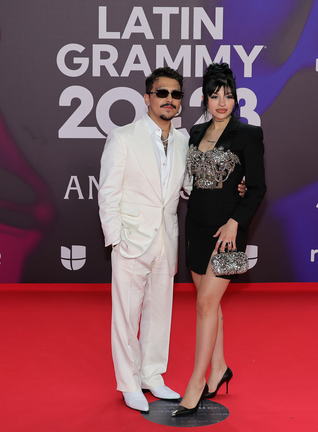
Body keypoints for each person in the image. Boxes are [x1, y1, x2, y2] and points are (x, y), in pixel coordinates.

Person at [172, 63, 267, 417]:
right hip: (196, 227)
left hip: (229, 234)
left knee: (205, 305)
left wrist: (235, 223)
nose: (222, 102)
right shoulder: (195, 132)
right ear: (204, 99)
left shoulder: (248, 134)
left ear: (236, 97)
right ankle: (220, 368)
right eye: (215, 96)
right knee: (208, 303)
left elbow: (256, 189)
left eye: (228, 95)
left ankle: (196, 384)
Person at [97, 67, 188, 412]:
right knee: (126, 314)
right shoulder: (123, 137)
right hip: (131, 240)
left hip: (166, 238)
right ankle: (129, 383)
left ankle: (152, 376)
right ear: (147, 98)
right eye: (162, 93)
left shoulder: (183, 142)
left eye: (175, 94)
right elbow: (107, 193)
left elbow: (188, 188)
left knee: (159, 312)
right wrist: (115, 239)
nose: (169, 100)